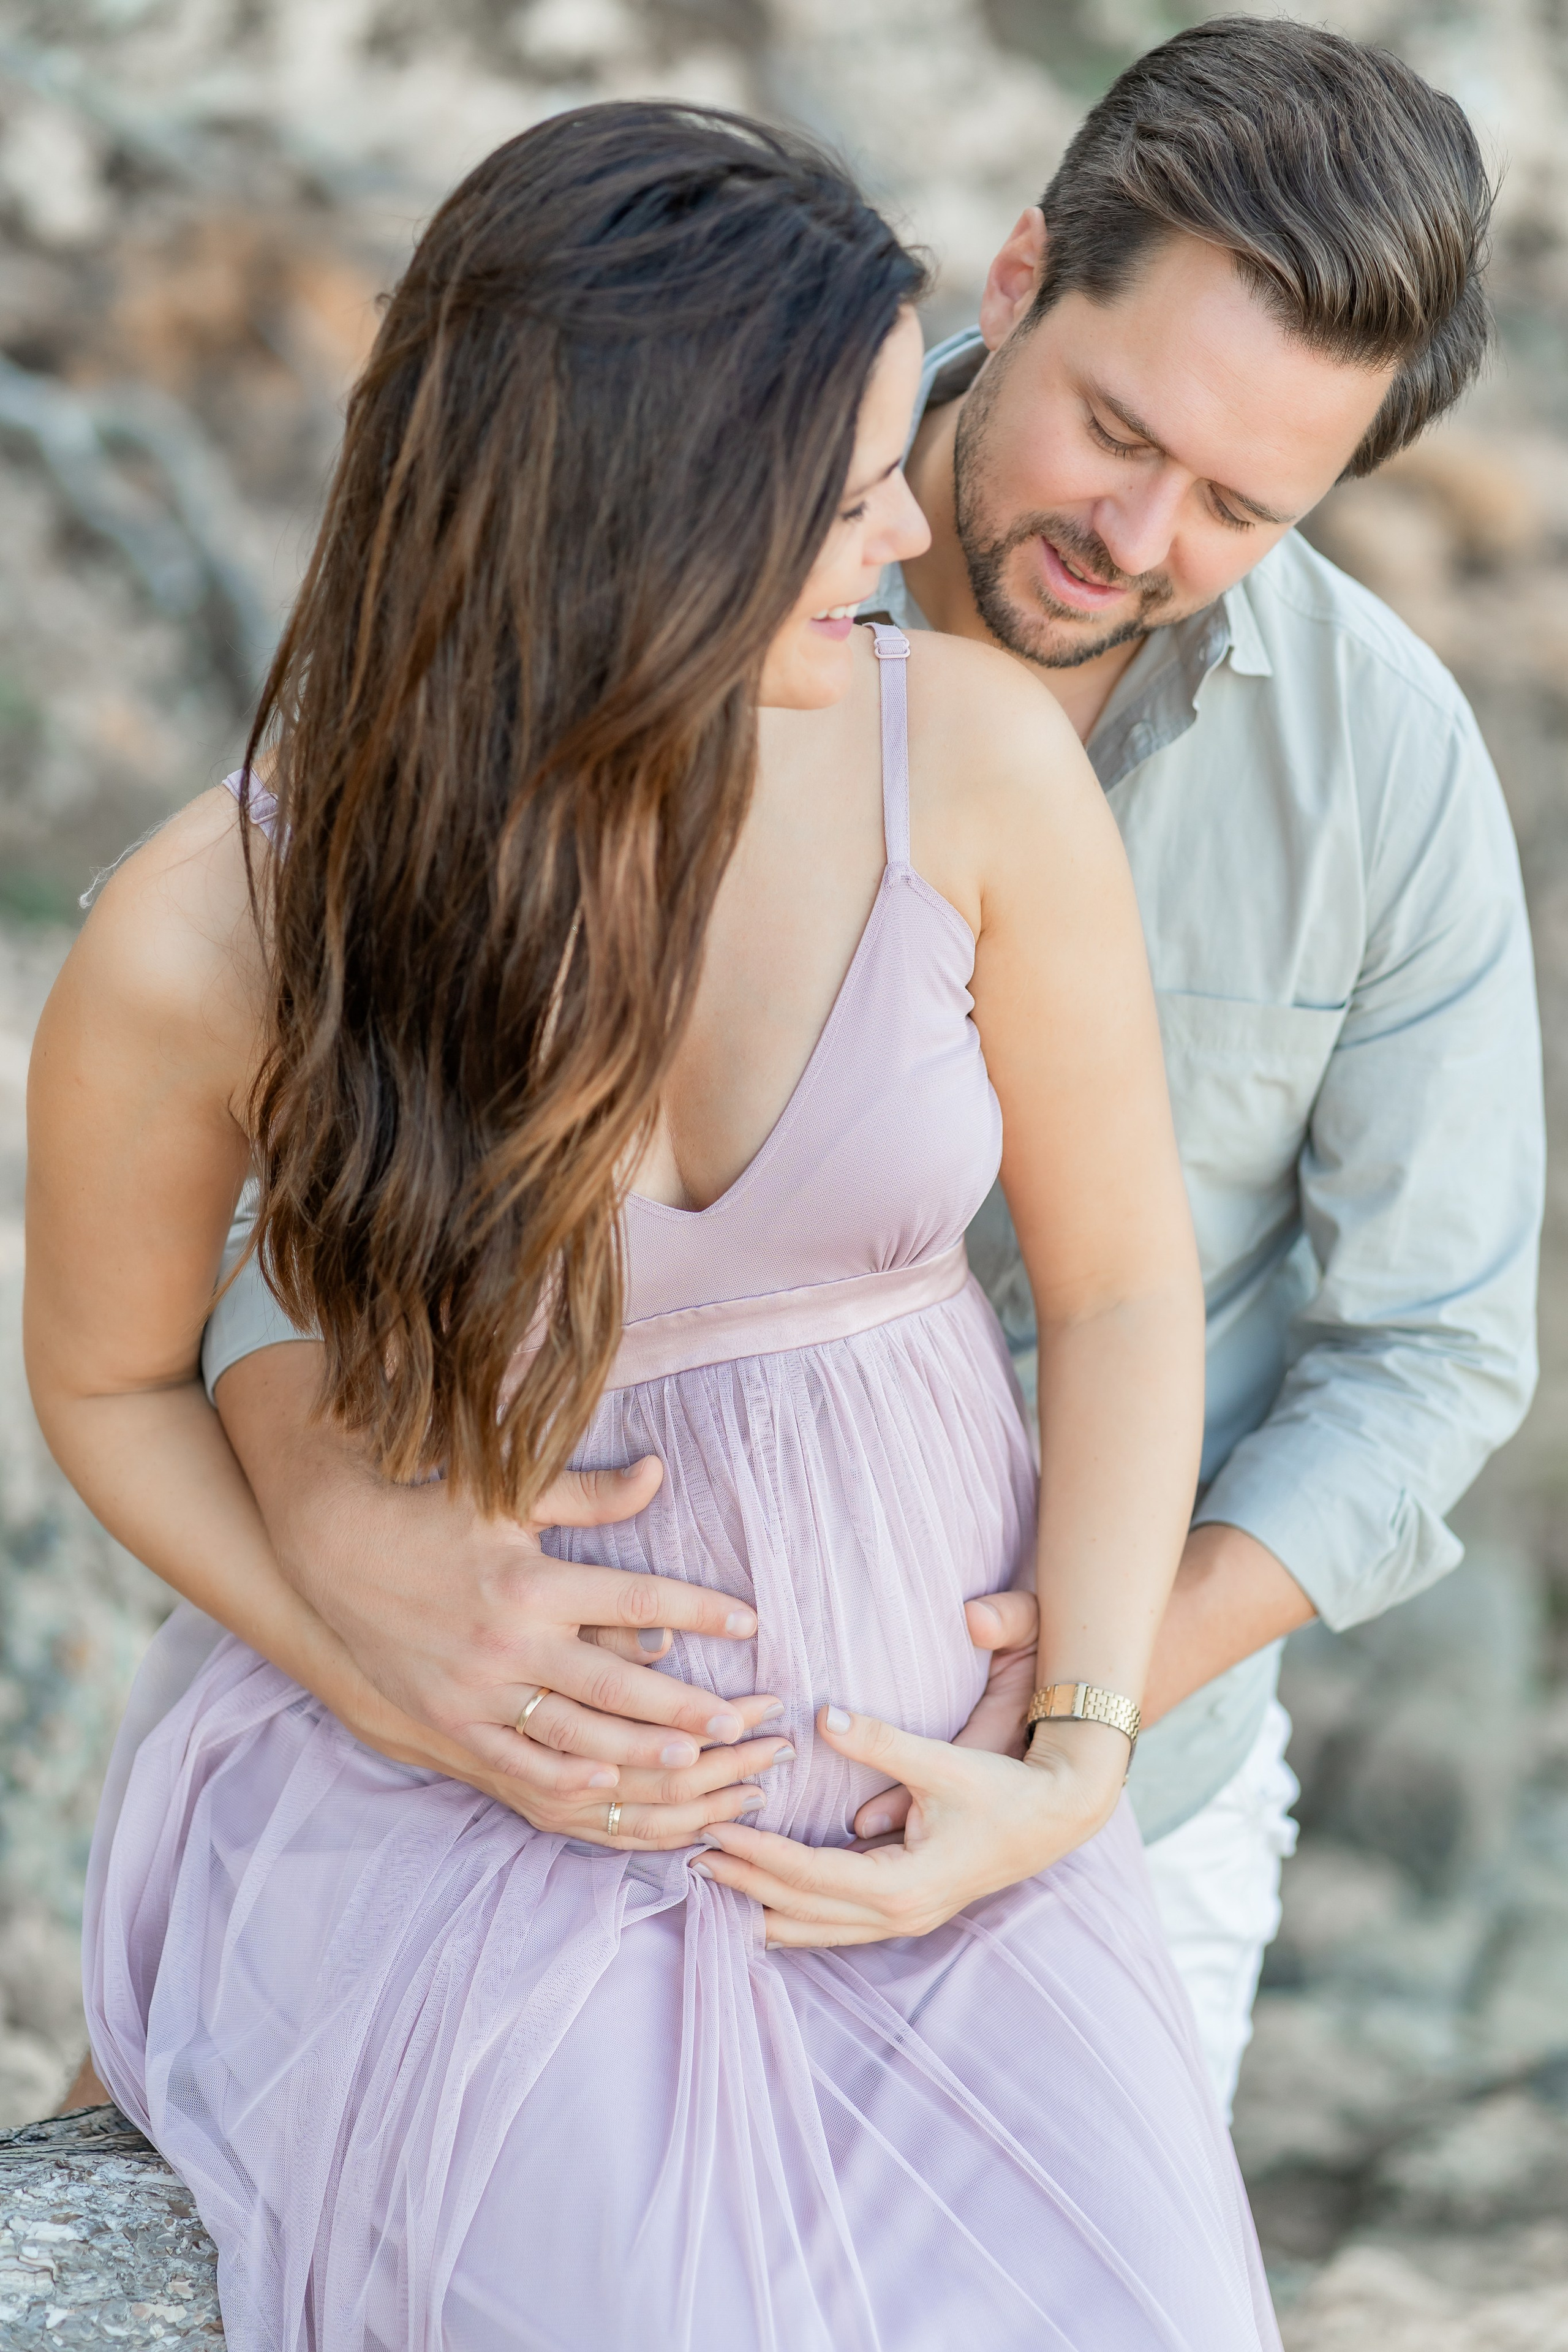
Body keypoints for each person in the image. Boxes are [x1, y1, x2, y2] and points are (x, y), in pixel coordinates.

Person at [180, 15, 1544, 2119]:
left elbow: (1434, 1354)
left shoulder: (1383, 766)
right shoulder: (649, 574)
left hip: (1107, 1818)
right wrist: (325, 1516)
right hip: (553, 1778)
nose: (1138, 536)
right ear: (1020, 278)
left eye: (1240, 507)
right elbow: (323, 1134)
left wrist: (1078, 1711)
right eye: (1116, 430)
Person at [28, 105, 1279, 2348]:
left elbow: (1117, 1292)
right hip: (473, 1844)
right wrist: (369, 1663)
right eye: (847, 494)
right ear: (637, 516)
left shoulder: (970, 762)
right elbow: (111, 1382)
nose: (911, 535)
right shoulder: (213, 926)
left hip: (942, 1867)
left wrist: (1071, 1764)